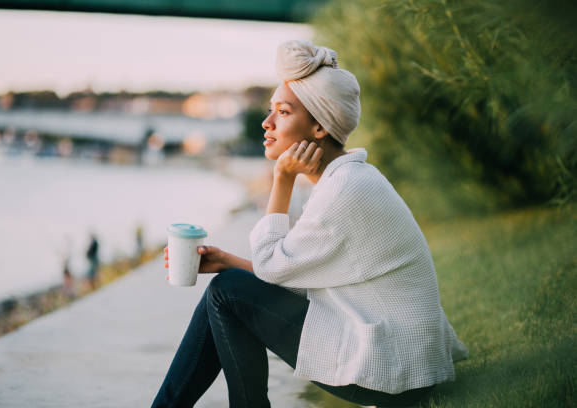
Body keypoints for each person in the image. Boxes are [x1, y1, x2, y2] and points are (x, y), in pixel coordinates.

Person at [152, 40, 468, 408]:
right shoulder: (347, 179)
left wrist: (282, 178)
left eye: (282, 112)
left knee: (226, 292)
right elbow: (295, 275)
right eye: (270, 110)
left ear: (319, 127)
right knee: (225, 291)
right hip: (404, 361)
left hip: (393, 372)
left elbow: (274, 268)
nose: (266, 123)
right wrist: (229, 262)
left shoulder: (345, 190)